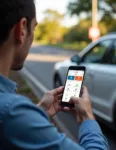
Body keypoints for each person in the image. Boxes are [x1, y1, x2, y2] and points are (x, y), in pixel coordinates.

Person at [0, 0, 109, 150]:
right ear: (22, 29)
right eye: (35, 28)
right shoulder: (11, 112)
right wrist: (87, 117)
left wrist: (38, 112)